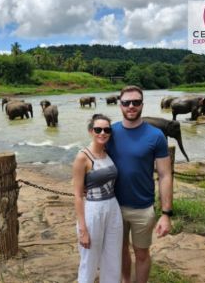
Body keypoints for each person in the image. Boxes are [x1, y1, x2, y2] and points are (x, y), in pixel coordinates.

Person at [107, 85, 173, 283]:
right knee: (120, 252)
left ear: (142, 104)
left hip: (143, 208)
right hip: (113, 206)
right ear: (120, 106)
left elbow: (165, 175)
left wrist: (166, 214)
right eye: (126, 102)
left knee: (142, 253)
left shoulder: (155, 136)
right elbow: (93, 160)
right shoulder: (110, 132)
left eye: (136, 102)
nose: (131, 106)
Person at [73, 113, 123, 283]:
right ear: (91, 131)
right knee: (90, 259)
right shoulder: (82, 157)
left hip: (113, 208)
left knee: (113, 257)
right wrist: (83, 229)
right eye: (98, 129)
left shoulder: (108, 153)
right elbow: (78, 195)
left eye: (107, 129)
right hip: (93, 210)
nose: (103, 132)